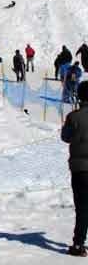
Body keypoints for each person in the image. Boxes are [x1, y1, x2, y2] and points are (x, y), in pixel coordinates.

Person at [61, 81, 88, 256]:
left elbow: (65, 137)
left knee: (82, 206)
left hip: (80, 168)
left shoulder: (74, 116)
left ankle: (78, 244)